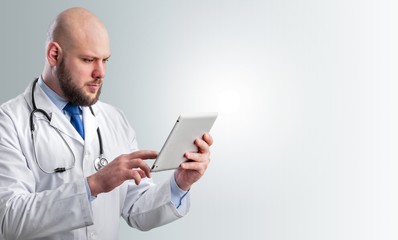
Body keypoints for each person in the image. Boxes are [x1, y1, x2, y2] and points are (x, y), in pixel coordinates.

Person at [0, 7, 213, 240]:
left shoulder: (115, 119)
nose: (100, 72)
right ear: (54, 55)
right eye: (88, 60)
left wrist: (179, 184)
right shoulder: (9, 122)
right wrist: (93, 185)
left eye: (105, 60)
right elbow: (8, 219)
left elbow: (135, 208)